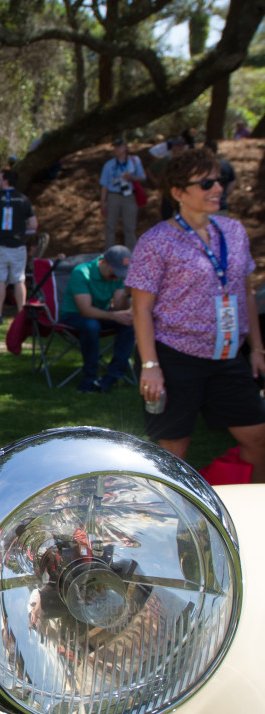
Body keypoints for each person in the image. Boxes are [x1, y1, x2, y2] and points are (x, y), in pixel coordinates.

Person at [126, 147, 265, 481]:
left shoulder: (233, 232)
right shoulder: (156, 241)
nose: (217, 188)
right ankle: (176, 524)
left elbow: (245, 292)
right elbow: (141, 309)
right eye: (205, 184)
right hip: (177, 357)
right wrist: (150, 366)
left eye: (218, 181)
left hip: (229, 356)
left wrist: (257, 348)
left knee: (259, 437)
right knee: (174, 451)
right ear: (178, 193)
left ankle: (254, 515)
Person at [59, 245, 135, 393]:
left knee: (129, 324)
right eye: (115, 271)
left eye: (121, 272)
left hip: (100, 314)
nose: (117, 276)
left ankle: (112, 376)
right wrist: (114, 315)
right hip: (74, 315)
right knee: (91, 326)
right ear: (104, 262)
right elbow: (86, 311)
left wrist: (126, 293)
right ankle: (89, 378)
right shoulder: (82, 272)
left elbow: (119, 307)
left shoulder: (117, 275)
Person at [0, 169, 37, 324]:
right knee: (19, 280)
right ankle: (21, 315)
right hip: (18, 246)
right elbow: (34, 224)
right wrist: (22, 230)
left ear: (5, 181)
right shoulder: (24, 200)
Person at [99, 138, 145, 250]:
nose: (116, 149)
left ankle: (132, 255)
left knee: (130, 227)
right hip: (114, 196)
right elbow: (104, 185)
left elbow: (143, 177)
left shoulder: (134, 161)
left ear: (125, 148)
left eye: (119, 147)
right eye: (115, 147)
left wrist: (131, 178)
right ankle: (108, 254)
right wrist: (102, 203)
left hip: (129, 196)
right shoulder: (109, 165)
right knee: (110, 226)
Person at [147, 136, 188, 220]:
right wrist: (155, 181)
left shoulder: (189, 160)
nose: (180, 148)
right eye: (177, 145)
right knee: (167, 217)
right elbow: (149, 170)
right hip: (169, 194)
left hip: (185, 194)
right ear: (172, 148)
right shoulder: (167, 160)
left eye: (181, 145)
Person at [205, 140, 237, 216]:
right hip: (222, 205)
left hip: (206, 206)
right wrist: (225, 193)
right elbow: (233, 181)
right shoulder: (226, 164)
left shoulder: (203, 166)